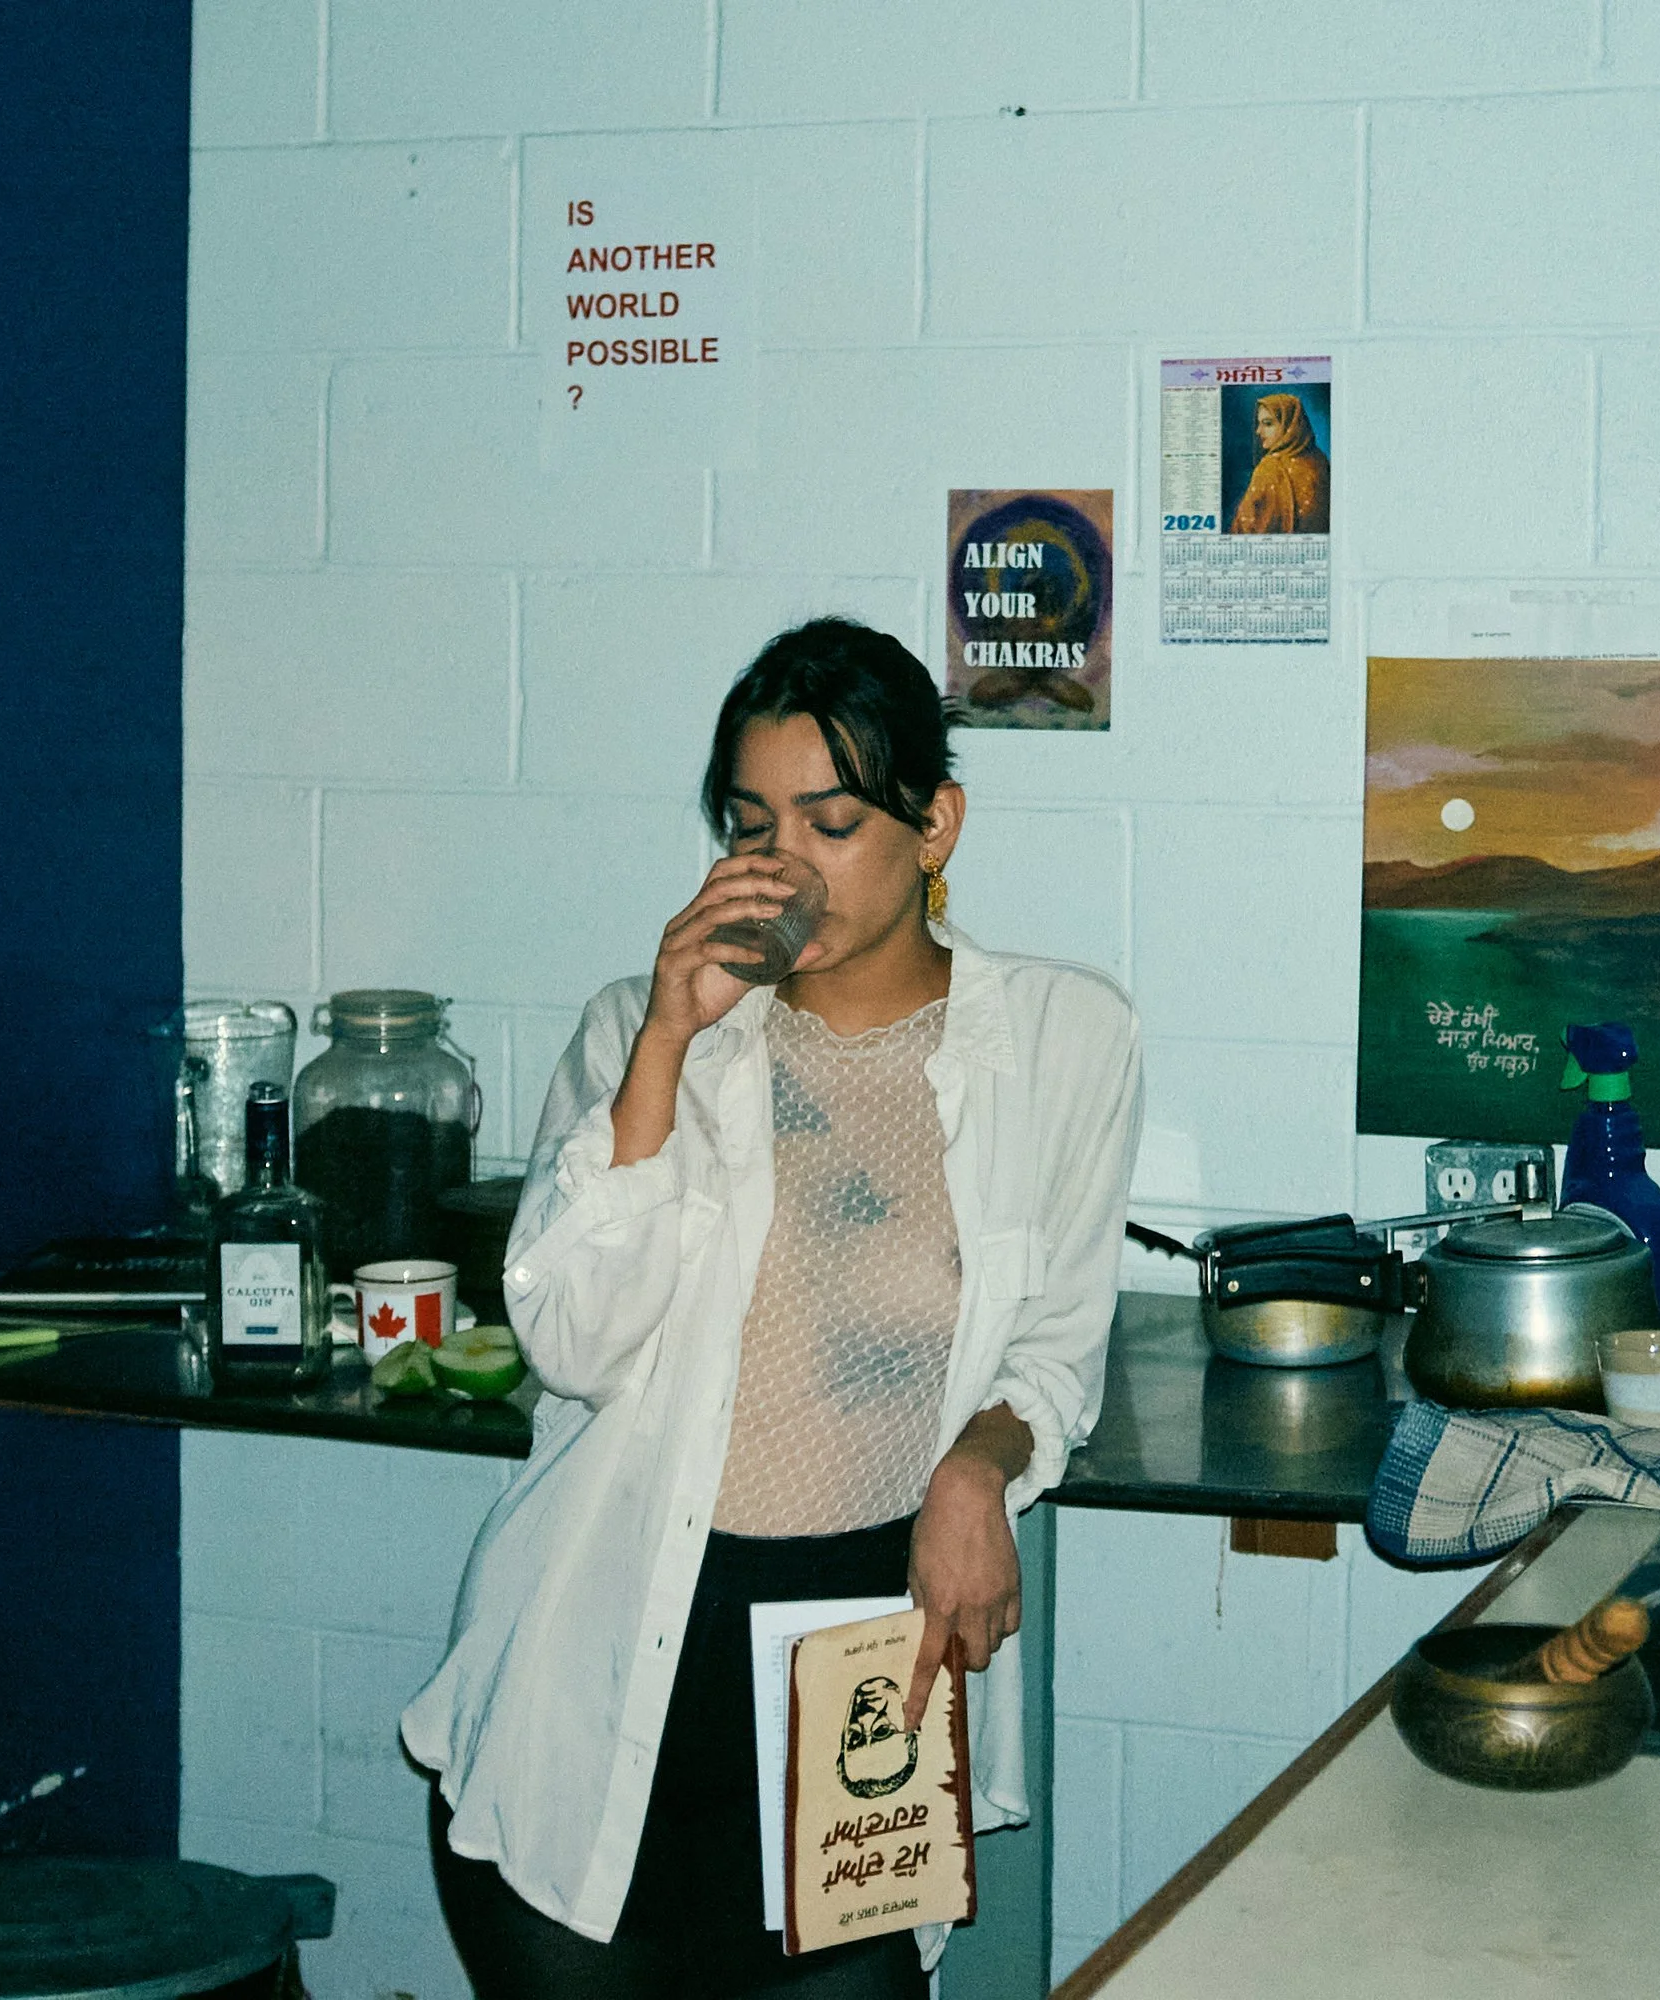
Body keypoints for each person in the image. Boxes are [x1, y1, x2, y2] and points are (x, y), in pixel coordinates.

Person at [403, 617, 1144, 1998]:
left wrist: (981, 1468)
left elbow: (1055, 1341)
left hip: (865, 1660)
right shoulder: (647, 1025)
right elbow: (571, 1340)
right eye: (752, 825)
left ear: (937, 826)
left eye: (833, 820)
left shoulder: (1063, 1038)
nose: (782, 867)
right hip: (621, 1646)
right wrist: (670, 1040)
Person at [1227, 391, 1330, 535]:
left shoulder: (1271, 467)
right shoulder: (1320, 460)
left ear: (1290, 425)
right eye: (1258, 424)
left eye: (1268, 424)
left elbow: (1246, 529)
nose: (1258, 431)